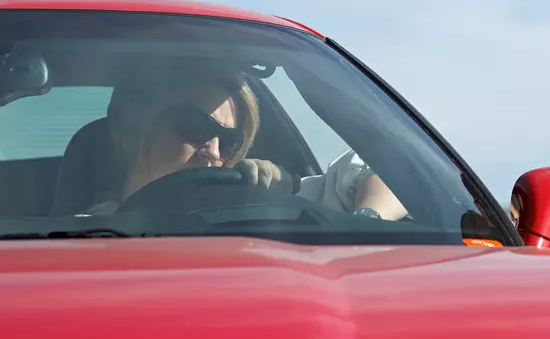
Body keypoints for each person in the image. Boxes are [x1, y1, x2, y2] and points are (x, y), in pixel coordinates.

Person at [83, 60, 406, 221]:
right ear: (142, 128)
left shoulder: (254, 213)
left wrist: (288, 186)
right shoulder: (82, 235)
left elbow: (396, 173)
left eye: (230, 140)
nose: (213, 150)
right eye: (195, 128)